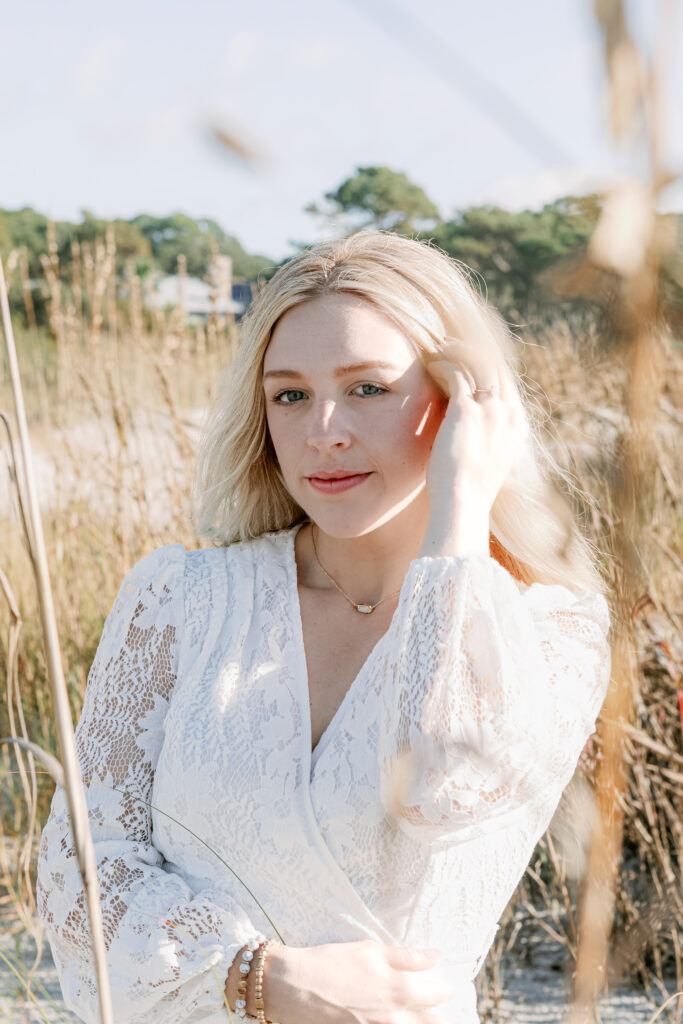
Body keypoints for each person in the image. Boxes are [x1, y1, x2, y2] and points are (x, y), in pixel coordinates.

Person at [36, 230, 612, 1024]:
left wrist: (461, 517)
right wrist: (255, 977)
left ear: (467, 404)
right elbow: (78, 867)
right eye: (290, 395)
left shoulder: (550, 628)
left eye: (369, 388)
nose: (323, 432)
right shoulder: (179, 598)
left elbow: (448, 792)